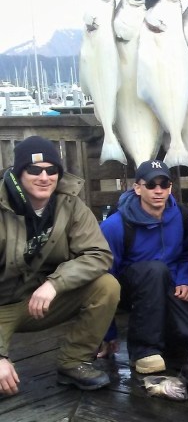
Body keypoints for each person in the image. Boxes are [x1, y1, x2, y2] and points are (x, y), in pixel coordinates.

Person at [0, 136, 120, 395]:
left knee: (106, 286)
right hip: (2, 307)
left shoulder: (72, 205)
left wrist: (55, 283)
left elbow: (98, 253)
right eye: (34, 170)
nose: (44, 177)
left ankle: (74, 363)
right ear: (19, 172)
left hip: (43, 300)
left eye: (51, 170)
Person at [99, 160, 188, 373]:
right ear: (137, 188)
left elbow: (185, 253)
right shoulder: (114, 225)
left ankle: (165, 340)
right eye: (151, 185)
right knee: (154, 270)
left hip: (166, 284)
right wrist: (108, 333)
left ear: (170, 187)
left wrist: (184, 280)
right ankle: (143, 351)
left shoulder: (181, 215)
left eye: (164, 184)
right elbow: (103, 279)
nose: (158, 190)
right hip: (127, 291)